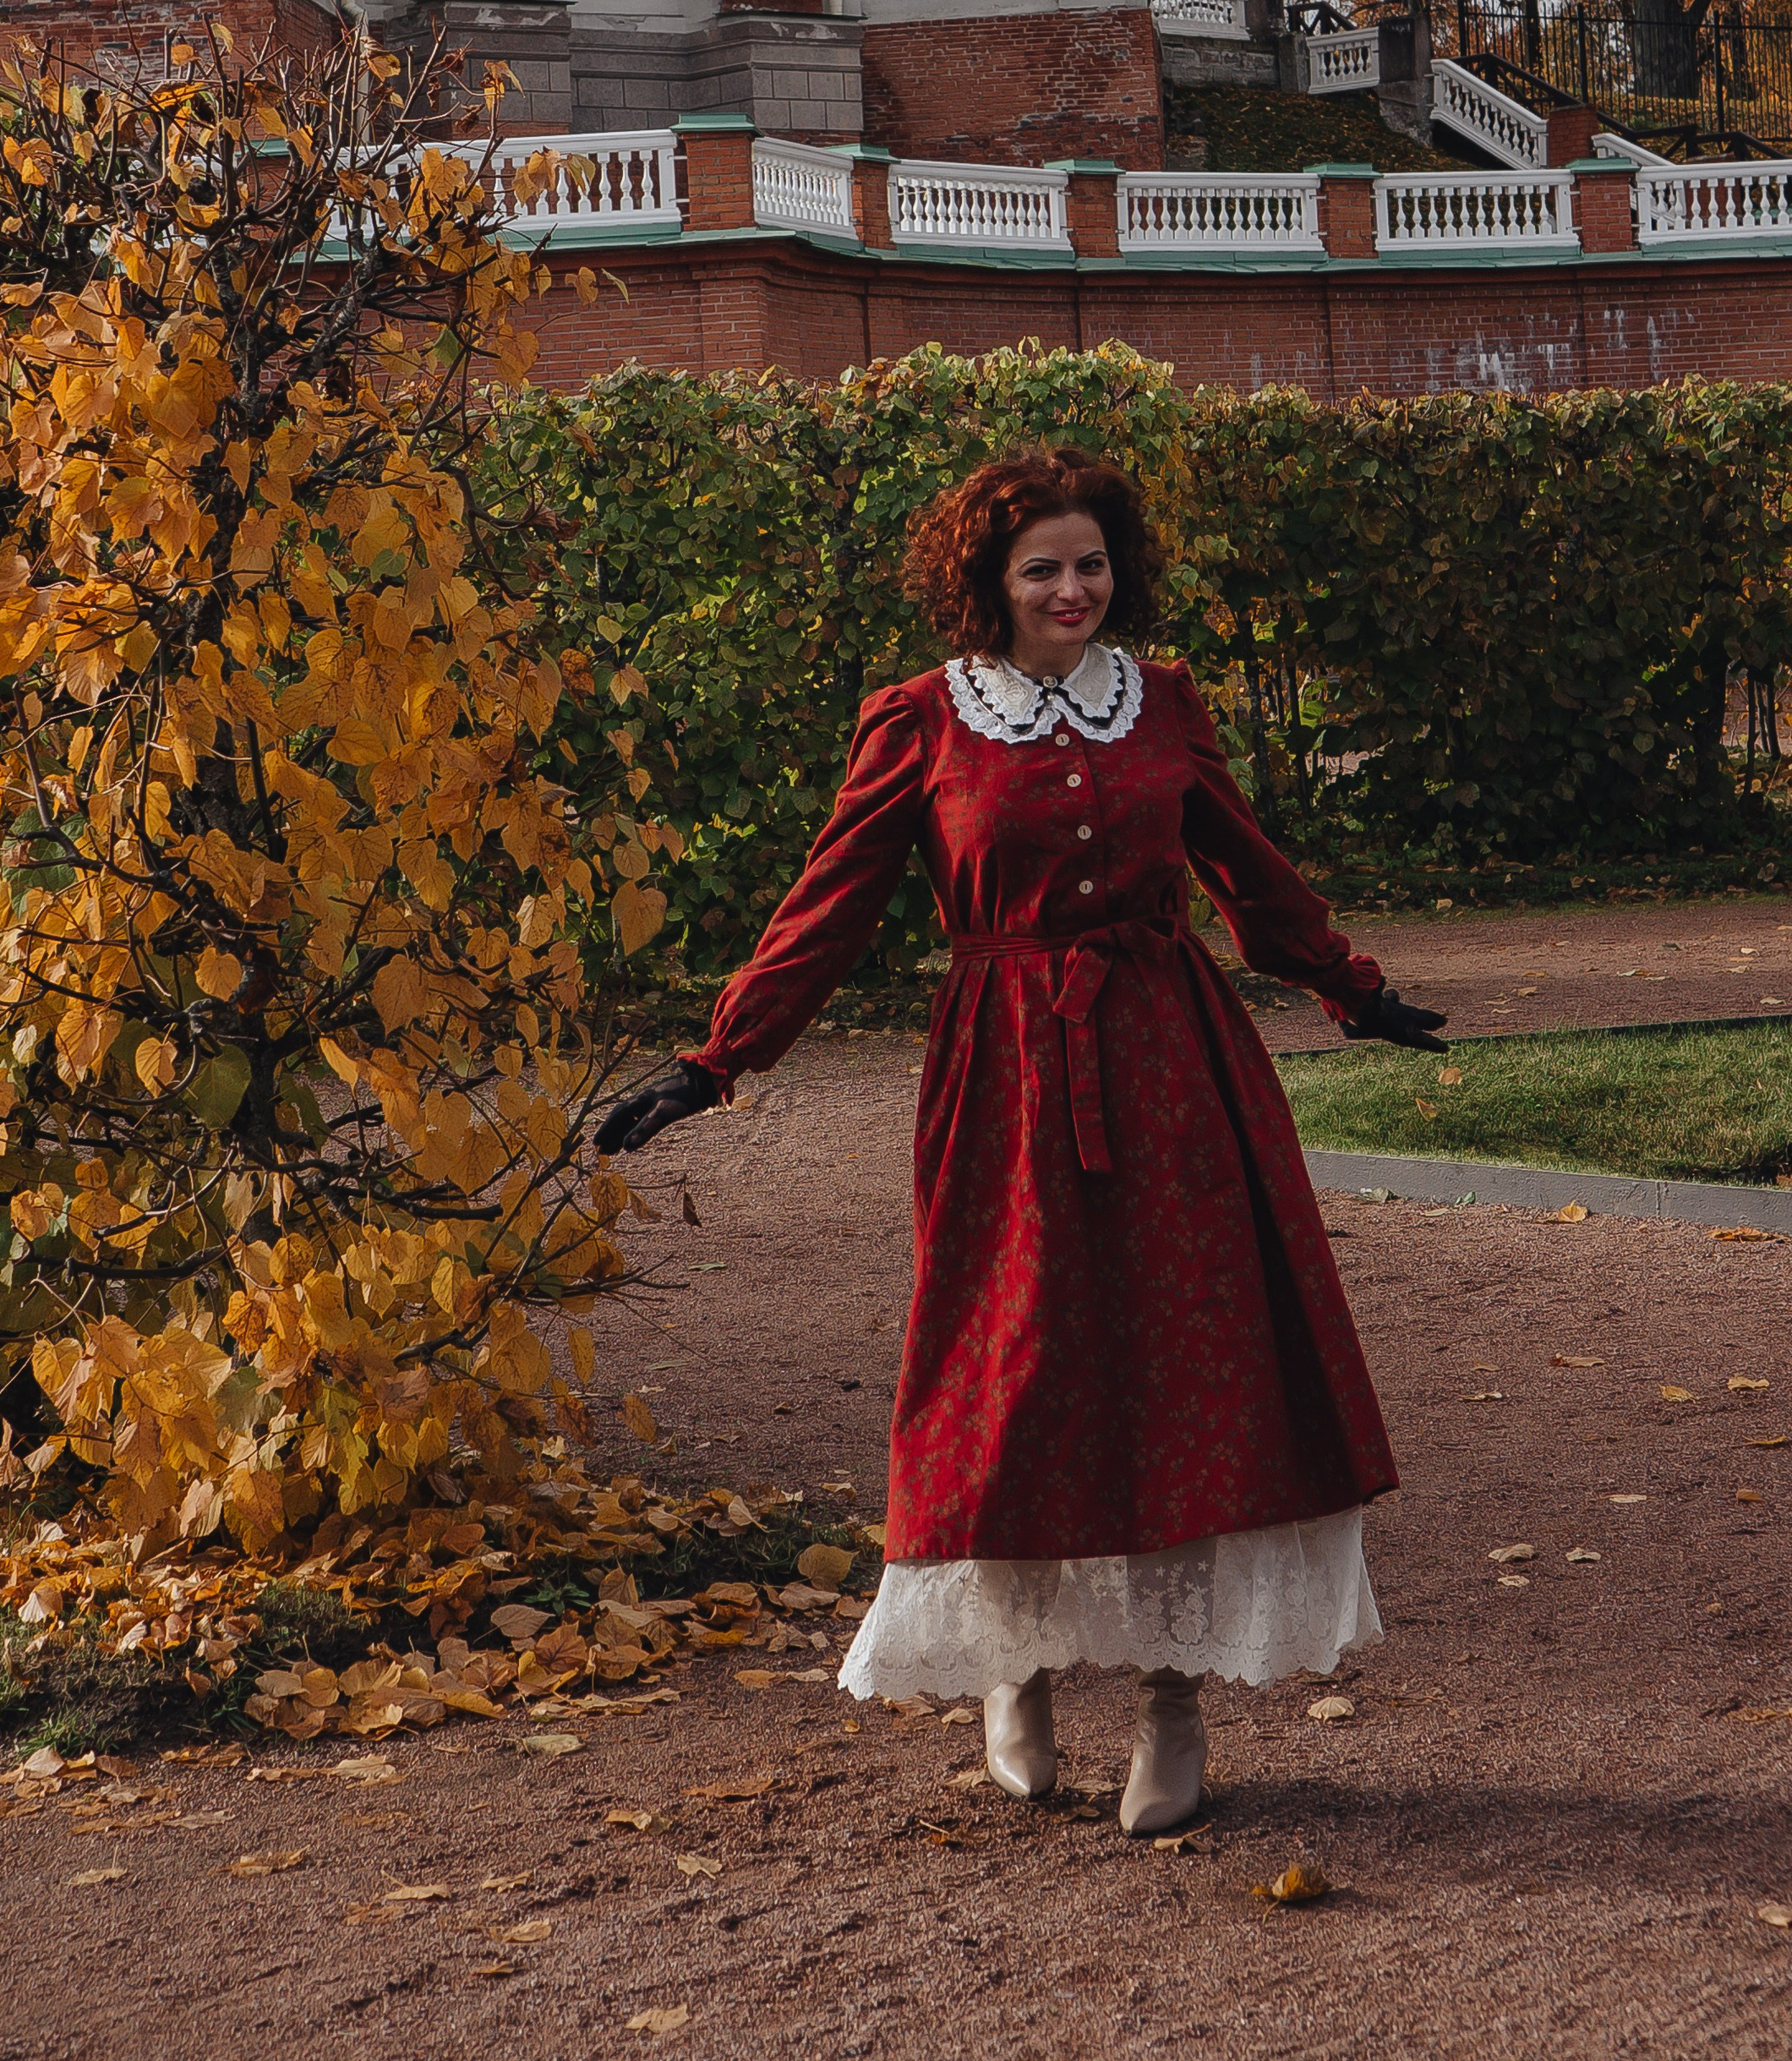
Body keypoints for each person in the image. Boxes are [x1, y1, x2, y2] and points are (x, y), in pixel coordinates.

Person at [594, 448, 1445, 1836]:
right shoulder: (923, 721)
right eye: (1042, 566)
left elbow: (1247, 870)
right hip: (1005, 1074)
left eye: (1091, 562)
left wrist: (1353, 987)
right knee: (1014, 1374)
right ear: (987, 583)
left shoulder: (1161, 703)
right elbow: (830, 906)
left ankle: (1176, 1700)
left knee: (1189, 1370)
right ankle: (1019, 1670)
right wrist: (718, 1058)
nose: (1071, 587)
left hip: (1176, 1066)